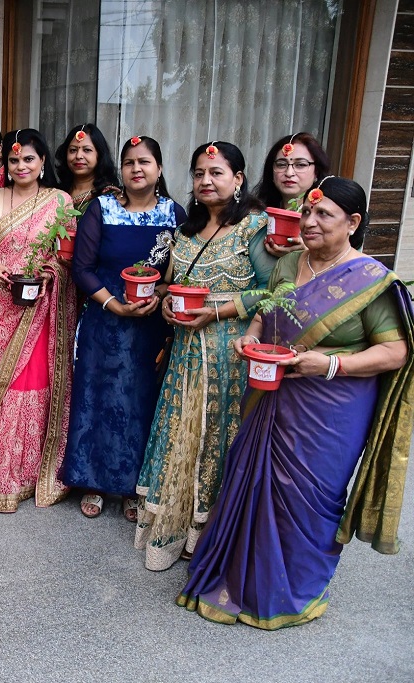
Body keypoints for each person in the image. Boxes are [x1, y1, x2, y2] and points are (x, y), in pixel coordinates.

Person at [179, 177, 412, 629]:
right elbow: (267, 312)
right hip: (271, 392)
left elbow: (395, 352)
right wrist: (248, 338)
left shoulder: (370, 280)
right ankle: (240, 580)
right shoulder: (289, 264)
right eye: (306, 212)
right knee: (253, 480)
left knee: (309, 495)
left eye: (323, 214)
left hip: (332, 408)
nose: (309, 222)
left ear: (353, 222)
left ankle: (292, 591)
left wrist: (327, 366)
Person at [135, 141, 276, 571]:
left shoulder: (255, 228)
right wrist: (162, 302)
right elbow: (172, 284)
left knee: (217, 434)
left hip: (229, 355)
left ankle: (208, 533)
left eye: (216, 172)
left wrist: (216, 310)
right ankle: (172, 526)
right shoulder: (184, 231)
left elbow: (274, 292)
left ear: (237, 178)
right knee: (180, 428)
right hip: (184, 354)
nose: (206, 181)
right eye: (199, 173)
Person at [61, 136, 185, 520]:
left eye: (144, 162)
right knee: (98, 395)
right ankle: (94, 480)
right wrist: (114, 303)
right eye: (129, 162)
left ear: (159, 169)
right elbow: (81, 268)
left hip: (151, 320)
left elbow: (181, 270)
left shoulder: (174, 213)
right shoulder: (102, 208)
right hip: (105, 317)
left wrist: (158, 292)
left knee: (142, 399)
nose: (136, 169)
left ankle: (134, 485)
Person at [0, 129, 76, 513]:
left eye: (29, 159)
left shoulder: (59, 200)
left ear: (43, 162)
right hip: (0, 302)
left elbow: (66, 254)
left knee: (30, 384)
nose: (21, 166)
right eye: (14, 160)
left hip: (40, 307)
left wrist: (51, 270)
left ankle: (28, 474)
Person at [254, 132, 331, 256]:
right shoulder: (256, 215)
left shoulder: (332, 215)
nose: (289, 172)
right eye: (281, 164)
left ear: (317, 172)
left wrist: (308, 252)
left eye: (300, 165)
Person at [55, 123, 121, 212]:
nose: (78, 156)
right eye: (73, 150)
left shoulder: (109, 197)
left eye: (87, 150)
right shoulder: (56, 194)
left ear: (99, 155)